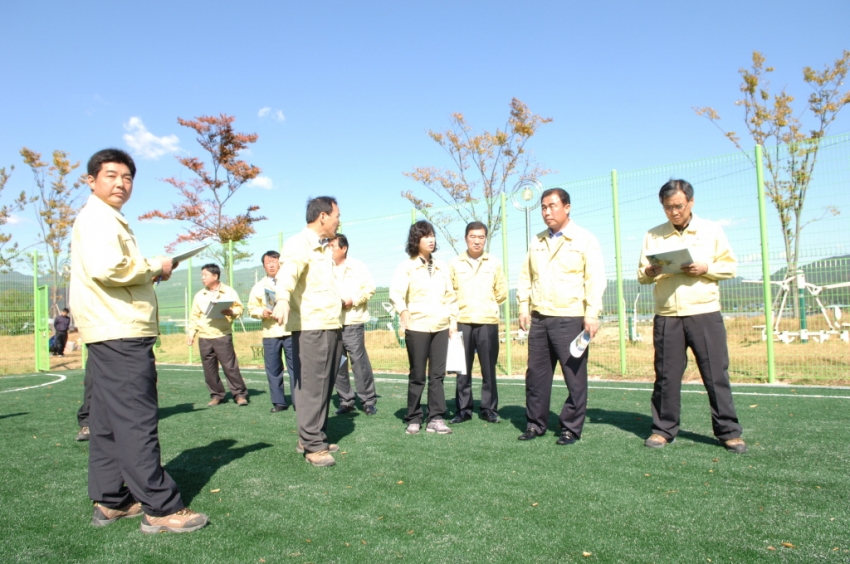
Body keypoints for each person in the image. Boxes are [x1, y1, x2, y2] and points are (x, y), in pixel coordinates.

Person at [69, 148, 207, 533]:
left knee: (107, 421)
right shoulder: (98, 217)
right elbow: (107, 268)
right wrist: (154, 266)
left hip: (107, 329)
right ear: (91, 180)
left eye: (127, 177)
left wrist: (151, 272)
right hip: (121, 330)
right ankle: (160, 507)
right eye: (111, 175)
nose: (120, 183)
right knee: (135, 419)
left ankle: (111, 500)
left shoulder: (102, 217)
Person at [638, 179, 746, 453]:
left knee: (715, 374)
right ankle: (663, 429)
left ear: (691, 202)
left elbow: (730, 266)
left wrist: (705, 268)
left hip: (704, 312)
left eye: (678, 206)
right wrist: (650, 271)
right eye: (667, 207)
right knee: (666, 376)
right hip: (667, 315)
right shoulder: (653, 235)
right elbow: (642, 274)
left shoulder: (711, 230)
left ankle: (729, 432)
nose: (674, 212)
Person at [516, 188, 605, 445]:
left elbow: (595, 279)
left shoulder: (585, 239)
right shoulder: (537, 241)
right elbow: (526, 277)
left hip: (571, 317)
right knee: (536, 376)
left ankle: (570, 428)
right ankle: (535, 424)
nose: (547, 212)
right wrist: (523, 306)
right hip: (540, 318)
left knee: (574, 378)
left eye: (552, 206)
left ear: (567, 207)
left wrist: (592, 314)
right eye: (543, 207)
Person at [273, 196, 344, 467]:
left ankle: (312, 437)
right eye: (337, 216)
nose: (339, 221)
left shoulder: (324, 248)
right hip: (312, 326)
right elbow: (287, 274)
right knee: (312, 387)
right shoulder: (299, 244)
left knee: (323, 385)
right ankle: (313, 445)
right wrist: (282, 299)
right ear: (323, 216)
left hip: (329, 323)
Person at [390, 220, 458, 436]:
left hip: (440, 326)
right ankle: (413, 417)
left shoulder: (442, 267)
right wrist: (403, 310)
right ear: (416, 239)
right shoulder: (406, 267)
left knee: (437, 375)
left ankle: (436, 417)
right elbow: (396, 293)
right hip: (417, 326)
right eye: (426, 236)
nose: (431, 239)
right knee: (417, 374)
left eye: (432, 235)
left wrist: (453, 322)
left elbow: (450, 296)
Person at [449, 222, 507, 425]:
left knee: (488, 369)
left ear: (485, 239)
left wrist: (487, 304)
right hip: (462, 321)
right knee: (462, 370)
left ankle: (488, 409)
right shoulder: (454, 263)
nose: (477, 241)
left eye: (481, 237)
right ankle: (463, 410)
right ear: (466, 238)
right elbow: (449, 293)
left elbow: (501, 292)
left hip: (487, 322)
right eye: (473, 237)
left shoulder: (494, 263)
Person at [329, 234, 379, 416]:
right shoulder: (324, 268)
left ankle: (368, 401)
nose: (329, 249)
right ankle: (346, 401)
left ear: (344, 248)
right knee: (337, 363)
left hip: (352, 320)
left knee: (359, 362)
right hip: (331, 322)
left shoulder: (358, 266)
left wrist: (354, 300)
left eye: (333, 246)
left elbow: (369, 288)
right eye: (328, 246)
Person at [188, 264, 249, 407]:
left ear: (215, 276)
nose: (203, 278)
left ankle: (239, 395)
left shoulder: (229, 291)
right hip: (204, 336)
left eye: (206, 275)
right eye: (202, 275)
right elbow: (194, 316)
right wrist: (191, 333)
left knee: (230, 367)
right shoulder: (199, 295)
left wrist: (231, 312)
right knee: (209, 369)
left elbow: (239, 308)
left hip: (222, 334)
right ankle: (216, 395)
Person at [248, 251, 299, 413]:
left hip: (291, 330)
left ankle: (299, 401)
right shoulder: (258, 287)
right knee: (273, 369)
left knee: (296, 368)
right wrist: (261, 312)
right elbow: (251, 308)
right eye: (267, 263)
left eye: (274, 261)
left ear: (280, 263)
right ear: (263, 266)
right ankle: (279, 402)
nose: (271, 265)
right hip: (270, 332)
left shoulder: (292, 282)